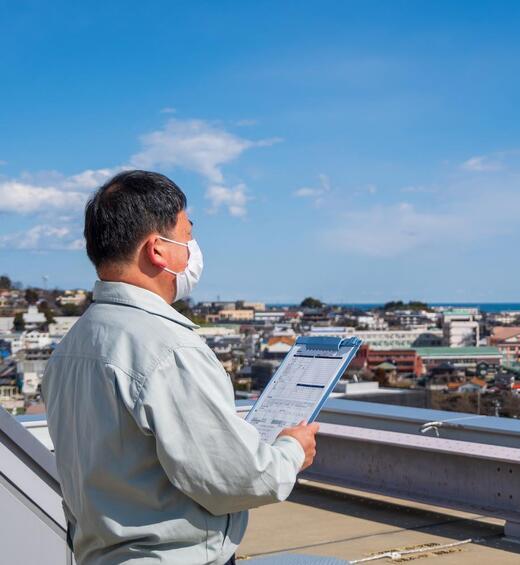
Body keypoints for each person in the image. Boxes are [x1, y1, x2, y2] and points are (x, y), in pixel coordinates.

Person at [42, 170, 319, 564]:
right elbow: (233, 480)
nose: (192, 249)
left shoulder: (72, 345)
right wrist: (292, 450)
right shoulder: (168, 349)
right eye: (187, 236)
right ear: (158, 250)